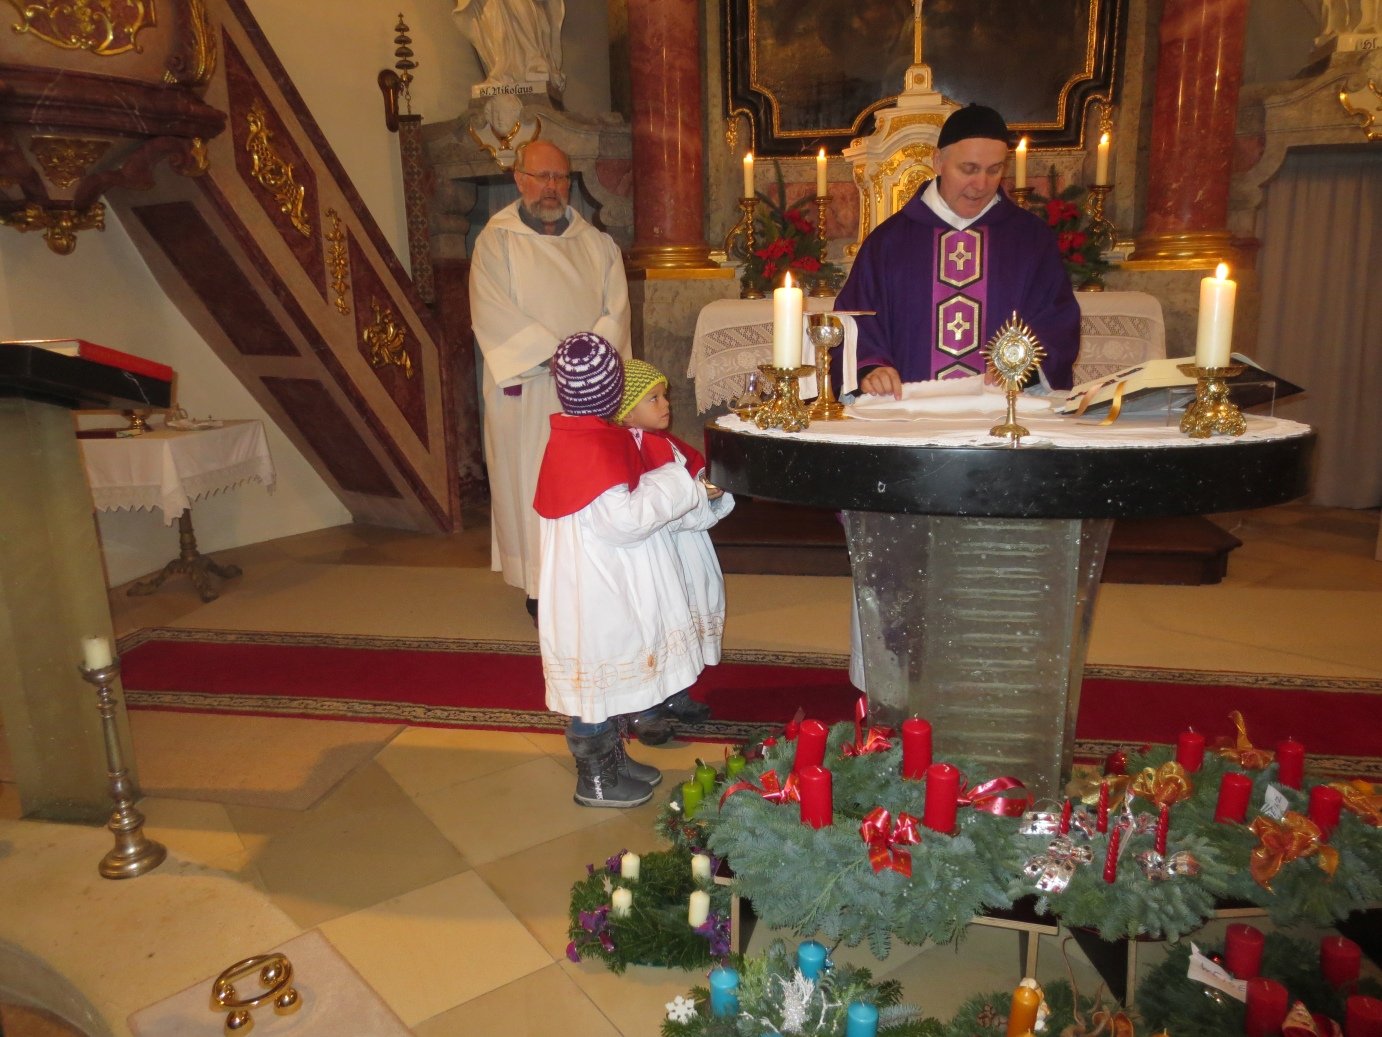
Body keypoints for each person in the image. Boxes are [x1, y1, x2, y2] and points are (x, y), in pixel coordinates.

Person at [534, 333, 720, 806]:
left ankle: (613, 760)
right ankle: (595, 779)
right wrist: (676, 481)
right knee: (594, 687)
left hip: (599, 575)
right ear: (613, 391)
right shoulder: (592, 445)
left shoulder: (581, 435)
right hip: (597, 587)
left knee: (607, 682)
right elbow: (624, 522)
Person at [469, 140, 631, 623]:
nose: (551, 187)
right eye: (541, 176)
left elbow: (616, 310)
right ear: (519, 178)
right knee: (530, 483)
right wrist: (559, 357)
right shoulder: (496, 242)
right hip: (527, 386)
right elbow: (491, 310)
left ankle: (591, 577)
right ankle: (539, 587)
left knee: (586, 482)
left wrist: (589, 367)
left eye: (560, 177)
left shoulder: (597, 244)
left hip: (587, 393)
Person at [835, 103, 1081, 396]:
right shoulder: (888, 242)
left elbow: (1056, 320)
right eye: (969, 169)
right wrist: (871, 368)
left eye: (994, 170)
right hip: (911, 411)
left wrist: (1022, 364)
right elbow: (856, 319)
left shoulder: (1030, 239)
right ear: (938, 161)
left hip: (1002, 408)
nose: (981, 184)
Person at [615, 359, 735, 727]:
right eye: (653, 399)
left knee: (683, 618)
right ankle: (647, 708)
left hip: (687, 550)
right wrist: (698, 497)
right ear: (626, 411)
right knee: (657, 624)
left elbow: (694, 476)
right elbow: (654, 510)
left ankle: (677, 692)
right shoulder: (626, 449)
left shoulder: (666, 442)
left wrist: (711, 490)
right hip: (658, 553)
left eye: (664, 396)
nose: (666, 404)